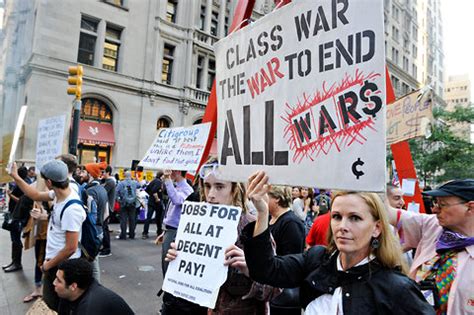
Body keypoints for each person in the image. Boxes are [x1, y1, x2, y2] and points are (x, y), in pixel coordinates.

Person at [243, 171, 434, 314]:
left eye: (355, 218)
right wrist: (262, 212)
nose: (342, 226)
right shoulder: (317, 260)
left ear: (377, 227)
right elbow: (265, 270)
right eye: (336, 216)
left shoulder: (396, 288)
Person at [164, 159, 270, 314]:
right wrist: (177, 258)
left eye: (219, 186)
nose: (211, 195)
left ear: (234, 189)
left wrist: (250, 269)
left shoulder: (252, 226)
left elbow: (275, 290)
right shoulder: (194, 224)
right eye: (207, 186)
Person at [387, 179, 474, 315]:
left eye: (442, 205)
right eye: (435, 203)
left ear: (470, 207)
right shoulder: (433, 225)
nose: (434, 209)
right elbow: (385, 212)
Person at [9, 160, 86, 311]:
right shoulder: (57, 194)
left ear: (50, 182)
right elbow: (35, 194)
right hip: (55, 261)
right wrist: (15, 176)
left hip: (63, 264)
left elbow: (71, 247)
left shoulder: (72, 208)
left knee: (58, 305)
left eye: (44, 180)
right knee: (53, 303)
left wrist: (48, 265)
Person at [266, 185, 305, 314]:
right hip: (269, 288)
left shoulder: (291, 223)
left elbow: (292, 261)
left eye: (265, 195)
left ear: (277, 198)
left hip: (283, 296)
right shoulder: (269, 218)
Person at [54, 258, 134, 315]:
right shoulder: (68, 295)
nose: (54, 283)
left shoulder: (90, 307)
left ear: (73, 286)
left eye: (59, 280)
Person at [160, 169, 193, 276]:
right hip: (170, 229)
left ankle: (169, 290)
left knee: (168, 265)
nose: (169, 172)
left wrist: (167, 180)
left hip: (175, 231)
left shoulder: (187, 189)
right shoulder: (178, 186)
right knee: (166, 263)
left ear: (178, 172)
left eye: (172, 170)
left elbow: (176, 200)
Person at [3, 166, 29, 272]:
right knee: (14, 240)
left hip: (18, 216)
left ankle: (17, 263)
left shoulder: (23, 185)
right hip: (14, 214)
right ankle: (14, 261)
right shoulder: (20, 183)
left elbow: (22, 201)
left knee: (16, 240)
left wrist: (10, 195)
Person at [115, 171, 139, 240]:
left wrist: (119, 200)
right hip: (133, 203)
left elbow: (116, 192)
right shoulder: (134, 182)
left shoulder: (121, 183)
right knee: (132, 219)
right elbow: (140, 185)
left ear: (124, 176)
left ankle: (123, 235)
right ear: (130, 175)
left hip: (124, 203)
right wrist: (137, 178)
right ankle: (132, 234)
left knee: (123, 219)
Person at [142, 171, 164, 239]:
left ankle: (145, 233)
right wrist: (157, 198)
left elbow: (147, 189)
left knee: (148, 217)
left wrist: (151, 195)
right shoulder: (159, 182)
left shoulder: (153, 180)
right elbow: (154, 190)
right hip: (156, 202)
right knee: (158, 218)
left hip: (151, 201)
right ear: (161, 176)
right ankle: (159, 231)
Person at [100, 165, 116, 257]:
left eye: (103, 172)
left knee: (104, 228)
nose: (102, 174)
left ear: (108, 173)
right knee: (104, 228)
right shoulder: (107, 181)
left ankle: (107, 249)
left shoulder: (110, 182)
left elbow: (102, 192)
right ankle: (105, 247)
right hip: (106, 207)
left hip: (108, 208)